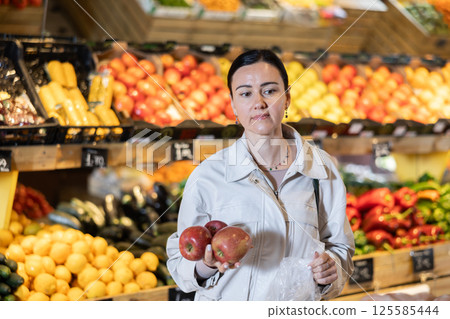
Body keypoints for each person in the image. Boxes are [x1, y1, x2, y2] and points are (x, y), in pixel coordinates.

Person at [166, 49, 354, 301]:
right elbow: (180, 265)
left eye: (269, 91)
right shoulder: (208, 175)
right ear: (233, 104)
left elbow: (341, 250)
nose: (259, 103)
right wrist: (206, 266)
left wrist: (330, 271)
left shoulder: (321, 170)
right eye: (245, 93)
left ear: (287, 98)